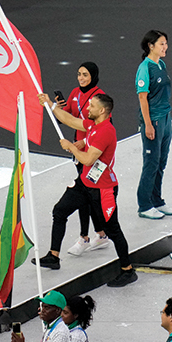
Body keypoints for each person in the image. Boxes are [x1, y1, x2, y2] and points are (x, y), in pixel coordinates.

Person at [35, 92, 137, 288]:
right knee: (60, 210)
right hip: (85, 184)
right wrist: (50, 105)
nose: (87, 109)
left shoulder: (106, 131)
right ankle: (53, 256)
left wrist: (71, 147)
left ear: (102, 111)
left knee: (112, 230)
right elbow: (71, 120)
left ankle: (127, 270)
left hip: (102, 190)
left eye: (91, 107)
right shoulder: (93, 124)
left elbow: (89, 160)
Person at [55, 62, 113, 257]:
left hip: (91, 153)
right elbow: (69, 118)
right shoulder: (74, 92)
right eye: (79, 74)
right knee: (87, 197)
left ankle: (84, 238)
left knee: (86, 197)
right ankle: (101, 234)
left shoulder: (99, 97)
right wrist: (58, 108)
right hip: (79, 152)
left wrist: (85, 142)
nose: (81, 78)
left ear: (93, 76)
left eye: (85, 75)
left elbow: (103, 126)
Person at [136, 30, 172, 220]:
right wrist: (148, 125)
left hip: (166, 118)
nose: (165, 47)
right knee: (151, 163)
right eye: (162, 44)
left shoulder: (161, 64)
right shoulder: (145, 68)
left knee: (161, 161)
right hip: (154, 120)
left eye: (166, 43)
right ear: (151, 46)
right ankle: (144, 205)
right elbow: (142, 98)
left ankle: (157, 200)